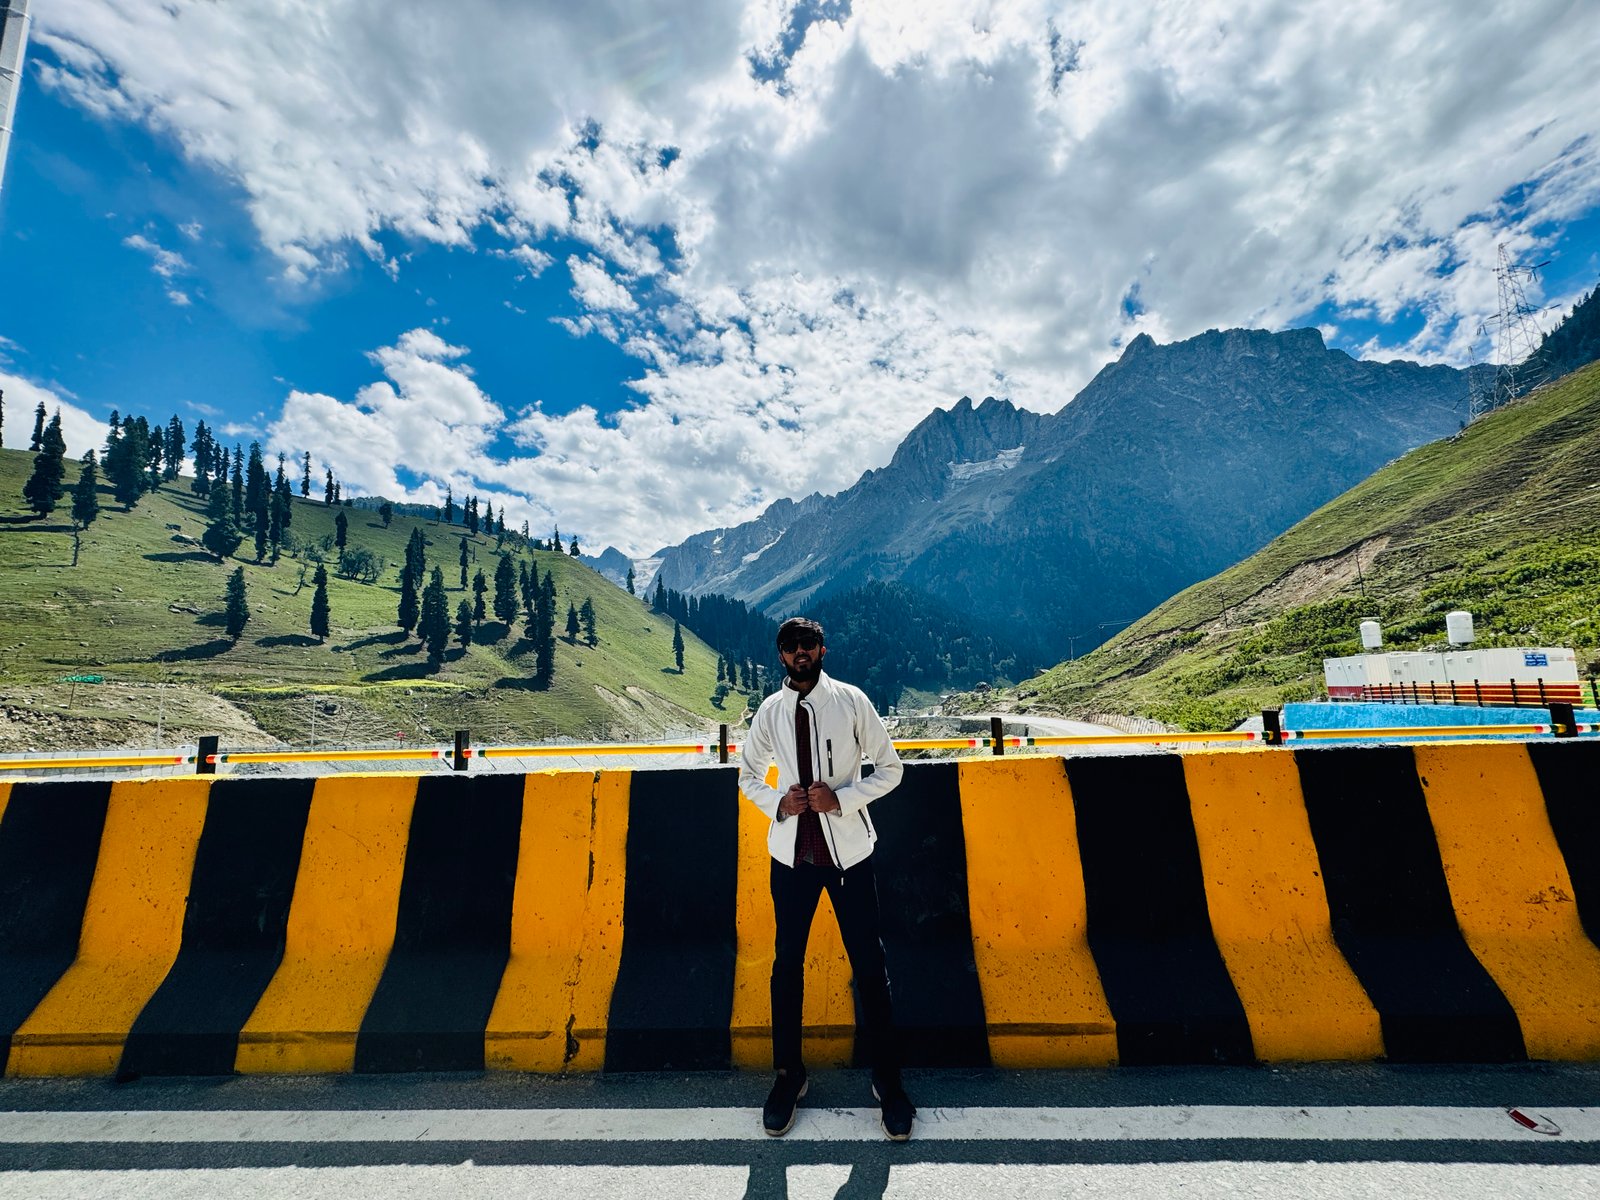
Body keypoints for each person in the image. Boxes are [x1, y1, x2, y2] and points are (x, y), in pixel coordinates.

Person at [737, 616, 915, 1141]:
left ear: (822, 649)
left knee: (870, 966)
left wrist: (842, 799)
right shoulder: (770, 711)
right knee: (786, 967)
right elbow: (748, 775)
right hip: (792, 860)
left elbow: (891, 769)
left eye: (808, 644)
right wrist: (780, 803)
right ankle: (788, 1077)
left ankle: (888, 1081)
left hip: (849, 858)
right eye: (790, 645)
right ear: (780, 655)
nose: (800, 652)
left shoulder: (852, 701)